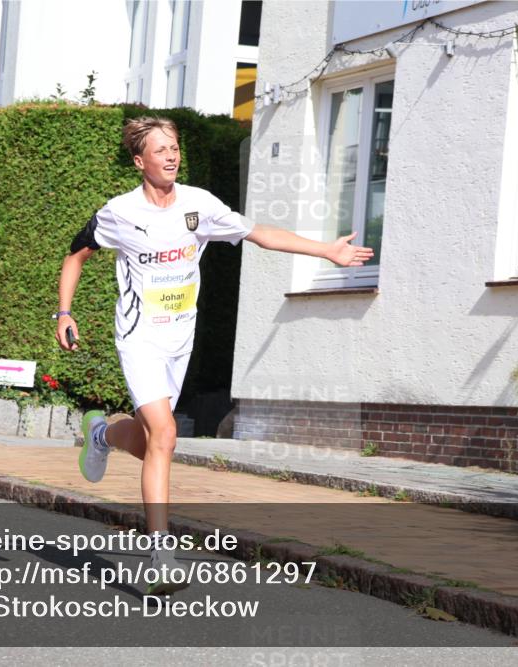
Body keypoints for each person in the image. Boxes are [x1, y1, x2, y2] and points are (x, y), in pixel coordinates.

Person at [55, 116, 373, 594]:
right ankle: (161, 557)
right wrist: (64, 312)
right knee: (165, 434)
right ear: (139, 161)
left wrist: (326, 251)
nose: (171, 156)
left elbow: (260, 234)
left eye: (174, 147)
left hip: (179, 340)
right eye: (160, 150)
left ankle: (101, 433)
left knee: (153, 442)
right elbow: (76, 254)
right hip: (139, 338)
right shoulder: (119, 213)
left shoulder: (199, 205)